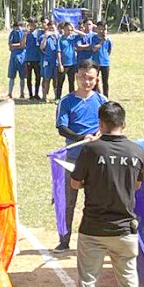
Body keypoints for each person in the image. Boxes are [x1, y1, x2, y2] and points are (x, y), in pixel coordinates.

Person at [59, 102, 144, 287]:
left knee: (88, 282)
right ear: (124, 123)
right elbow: (137, 185)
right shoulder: (137, 151)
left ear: (100, 123)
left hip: (94, 227)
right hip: (125, 228)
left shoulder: (91, 149)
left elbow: (75, 184)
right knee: (129, 281)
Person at [54, 60, 107, 253]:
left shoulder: (102, 101)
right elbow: (62, 128)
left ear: (96, 79)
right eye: (83, 77)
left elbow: (109, 125)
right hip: (74, 159)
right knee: (69, 201)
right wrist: (81, 137)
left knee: (96, 201)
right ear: (76, 76)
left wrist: (101, 135)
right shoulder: (67, 101)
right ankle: (64, 239)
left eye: (91, 78)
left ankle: (96, 241)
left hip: (97, 160)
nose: (87, 81)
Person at [39, 20, 61, 102]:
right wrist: (45, 37)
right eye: (50, 27)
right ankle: (45, 96)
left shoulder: (59, 36)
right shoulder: (44, 36)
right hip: (47, 60)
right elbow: (42, 47)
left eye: (53, 27)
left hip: (56, 60)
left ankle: (56, 96)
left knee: (56, 79)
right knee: (46, 78)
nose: (52, 29)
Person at [6, 20, 27, 99]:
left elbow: (23, 45)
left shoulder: (23, 33)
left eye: (19, 27)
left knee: (22, 77)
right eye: (16, 27)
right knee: (11, 76)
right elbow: (10, 45)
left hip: (22, 57)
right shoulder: (12, 33)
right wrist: (19, 45)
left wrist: (15, 46)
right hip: (13, 57)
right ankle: (10, 93)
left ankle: (22, 93)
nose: (18, 29)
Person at [91, 21, 113, 97]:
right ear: (96, 29)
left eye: (104, 29)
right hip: (95, 62)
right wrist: (102, 40)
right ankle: (93, 96)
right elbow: (94, 48)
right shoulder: (94, 38)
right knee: (94, 80)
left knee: (105, 82)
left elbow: (109, 50)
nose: (102, 31)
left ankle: (106, 97)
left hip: (105, 63)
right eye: (100, 29)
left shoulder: (109, 40)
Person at [58, 21, 79, 96]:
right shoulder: (60, 39)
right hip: (64, 64)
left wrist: (74, 30)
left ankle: (72, 96)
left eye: (70, 30)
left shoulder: (73, 38)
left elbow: (84, 35)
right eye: (68, 30)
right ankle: (58, 97)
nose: (70, 31)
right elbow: (58, 52)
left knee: (71, 81)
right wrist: (60, 64)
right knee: (60, 81)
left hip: (73, 63)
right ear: (64, 29)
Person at [24, 19, 43, 99]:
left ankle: (36, 94)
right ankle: (30, 94)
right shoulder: (27, 33)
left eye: (34, 23)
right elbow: (23, 44)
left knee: (38, 77)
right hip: (28, 58)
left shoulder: (39, 33)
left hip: (37, 58)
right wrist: (25, 34)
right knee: (29, 77)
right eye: (31, 23)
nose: (33, 25)